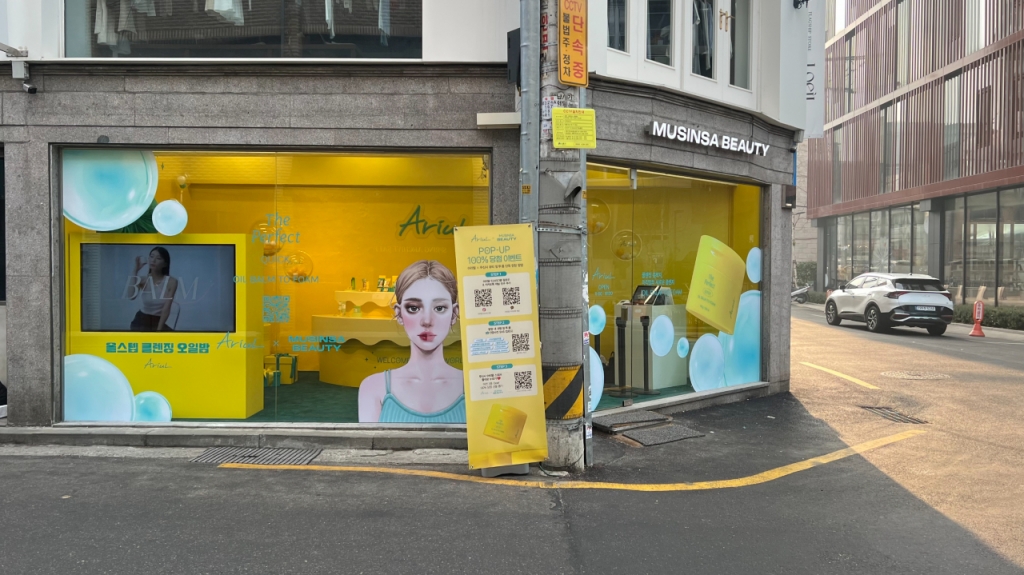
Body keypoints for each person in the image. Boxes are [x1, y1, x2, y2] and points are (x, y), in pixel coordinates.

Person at [358, 260, 465, 423]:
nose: (427, 321)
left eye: (439, 308)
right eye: (414, 308)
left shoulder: (474, 387)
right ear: (399, 314)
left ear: (454, 313)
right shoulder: (373, 387)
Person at [129, 247, 178, 331]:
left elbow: (166, 309)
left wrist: (158, 331)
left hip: (158, 321)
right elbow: (131, 296)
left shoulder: (172, 282)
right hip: (141, 320)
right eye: (151, 256)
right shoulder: (143, 280)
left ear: (165, 264)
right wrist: (135, 270)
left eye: (158, 258)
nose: (153, 260)